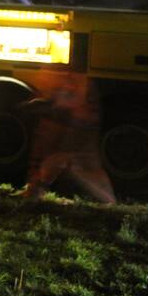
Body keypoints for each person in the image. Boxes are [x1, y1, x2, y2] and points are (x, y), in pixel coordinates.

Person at [22, 71, 116, 204]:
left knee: (62, 162)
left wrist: (49, 105)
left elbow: (70, 101)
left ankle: (34, 193)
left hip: (78, 124)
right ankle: (109, 202)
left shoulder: (75, 79)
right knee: (83, 165)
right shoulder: (81, 78)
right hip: (80, 123)